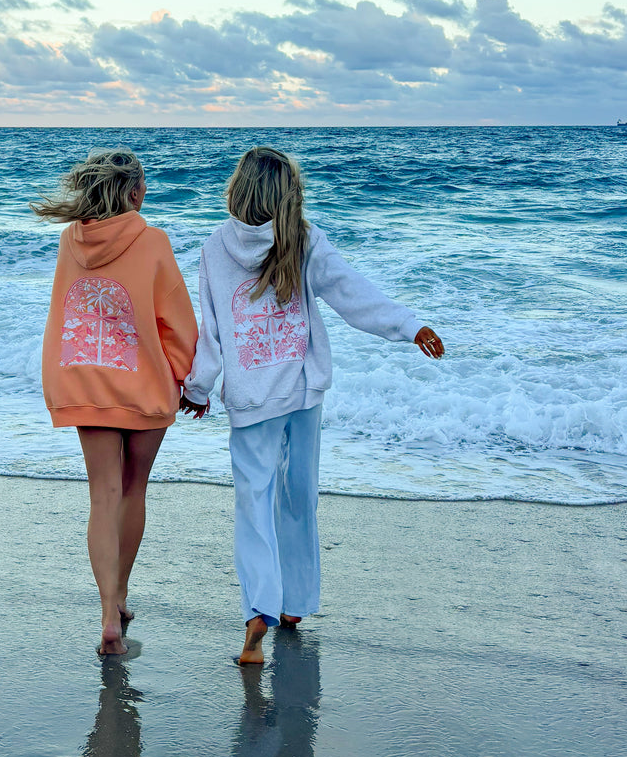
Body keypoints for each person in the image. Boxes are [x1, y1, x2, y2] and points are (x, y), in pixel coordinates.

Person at [180, 145, 444, 664]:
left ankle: (260, 608)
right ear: (288, 195)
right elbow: (351, 293)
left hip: (252, 396)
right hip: (302, 390)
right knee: (299, 496)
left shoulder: (215, 247)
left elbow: (210, 329)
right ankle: (295, 602)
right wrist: (409, 326)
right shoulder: (303, 238)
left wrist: (197, 387)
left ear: (238, 189)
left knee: (253, 502)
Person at [35, 148, 198, 657]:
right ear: (135, 193)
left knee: (102, 495)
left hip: (85, 384)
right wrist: (188, 379)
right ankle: (122, 593)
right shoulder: (152, 241)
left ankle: (109, 612)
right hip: (144, 385)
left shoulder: (70, 241)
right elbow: (176, 320)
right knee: (133, 489)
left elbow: (64, 310)